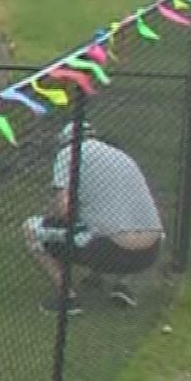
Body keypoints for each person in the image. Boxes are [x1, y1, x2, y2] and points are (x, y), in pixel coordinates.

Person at [24, 121, 164, 315]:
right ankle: (122, 284)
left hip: (110, 250)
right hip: (150, 252)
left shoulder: (69, 154)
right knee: (110, 220)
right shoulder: (121, 156)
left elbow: (65, 210)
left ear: (65, 141)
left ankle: (68, 298)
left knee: (31, 228)